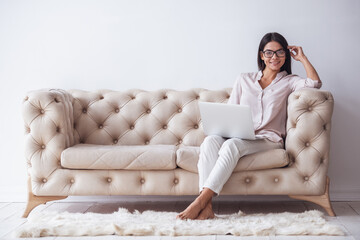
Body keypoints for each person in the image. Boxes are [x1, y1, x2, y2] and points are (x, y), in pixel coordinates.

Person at [176, 32, 322, 220]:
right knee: (210, 140)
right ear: (261, 55)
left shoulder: (289, 81)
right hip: (240, 134)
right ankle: (207, 208)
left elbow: (315, 83)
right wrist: (226, 129)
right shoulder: (244, 79)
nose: (274, 57)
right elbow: (232, 110)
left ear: (286, 55)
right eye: (269, 53)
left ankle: (200, 201)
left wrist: (302, 57)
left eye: (279, 52)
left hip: (268, 138)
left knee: (231, 145)